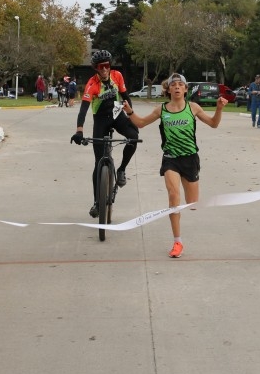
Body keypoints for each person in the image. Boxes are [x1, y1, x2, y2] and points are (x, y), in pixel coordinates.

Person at [122, 73, 226, 258]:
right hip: (170, 158)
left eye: (180, 84)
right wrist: (130, 112)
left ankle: (186, 208)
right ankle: (177, 241)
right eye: (173, 85)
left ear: (186, 89)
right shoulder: (161, 110)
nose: (177, 87)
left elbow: (213, 124)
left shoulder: (192, 107)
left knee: (192, 203)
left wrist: (218, 109)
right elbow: (141, 123)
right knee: (173, 196)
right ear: (168, 89)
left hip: (191, 159)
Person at [70, 50, 139, 218]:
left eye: (107, 66)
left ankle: (121, 170)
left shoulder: (117, 76)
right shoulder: (92, 84)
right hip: (100, 119)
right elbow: (84, 109)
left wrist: (131, 115)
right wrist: (79, 130)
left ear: (110, 66)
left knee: (134, 136)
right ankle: (97, 202)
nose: (104, 69)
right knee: (98, 162)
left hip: (117, 114)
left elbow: (125, 97)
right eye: (100, 67)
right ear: (96, 68)